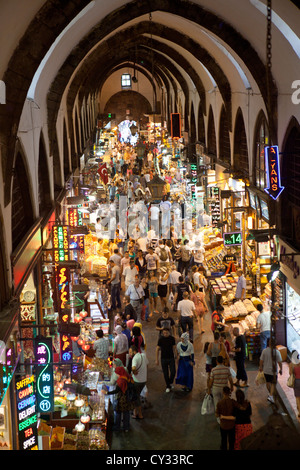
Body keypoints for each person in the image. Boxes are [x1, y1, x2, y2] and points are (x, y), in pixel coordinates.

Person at [101, 366, 136, 432]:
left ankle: (117, 427)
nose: (116, 374)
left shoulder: (121, 381)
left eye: (117, 373)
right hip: (128, 398)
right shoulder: (127, 376)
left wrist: (106, 392)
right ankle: (126, 427)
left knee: (118, 412)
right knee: (126, 413)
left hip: (122, 399)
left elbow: (116, 390)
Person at [259, 338, 283, 404]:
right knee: (273, 383)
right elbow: (280, 362)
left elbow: (261, 360)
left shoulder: (264, 351)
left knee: (268, 382)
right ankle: (271, 395)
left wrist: (260, 367)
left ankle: (270, 394)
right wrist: (281, 369)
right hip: (273, 371)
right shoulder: (277, 352)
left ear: (269, 343)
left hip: (266, 370)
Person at [129, 345, 148, 419]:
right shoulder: (143, 355)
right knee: (136, 396)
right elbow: (147, 364)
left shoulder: (135, 358)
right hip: (144, 380)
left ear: (134, 352)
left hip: (137, 381)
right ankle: (135, 412)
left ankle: (140, 414)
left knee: (136, 398)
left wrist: (134, 372)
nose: (130, 354)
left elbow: (133, 368)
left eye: (130, 352)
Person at [156, 327, 177, 393]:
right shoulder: (161, 339)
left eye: (166, 333)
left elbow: (174, 347)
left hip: (171, 357)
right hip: (163, 358)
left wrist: (176, 356)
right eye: (164, 333)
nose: (165, 334)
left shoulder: (172, 339)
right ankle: (168, 386)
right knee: (165, 373)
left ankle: (170, 382)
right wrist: (157, 359)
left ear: (169, 332)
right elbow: (157, 349)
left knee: (173, 371)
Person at [215, 386, 236, 451]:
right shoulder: (233, 402)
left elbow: (217, 415)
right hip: (231, 425)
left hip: (223, 426)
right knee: (231, 440)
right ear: (230, 392)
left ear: (223, 392)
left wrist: (221, 416)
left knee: (223, 439)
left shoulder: (219, 403)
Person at [289, 351, 300, 418]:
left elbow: (290, 374)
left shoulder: (291, 364)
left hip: (296, 381)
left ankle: (299, 412)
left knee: (297, 397)